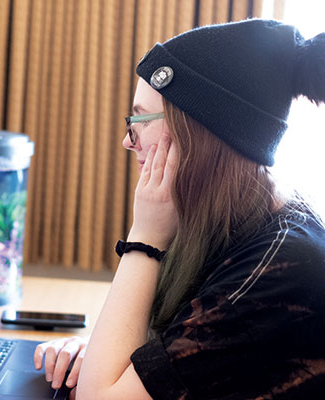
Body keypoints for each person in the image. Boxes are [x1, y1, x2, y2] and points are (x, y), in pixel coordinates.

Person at [33, 18, 325, 399]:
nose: (127, 139)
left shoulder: (278, 268)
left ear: (197, 130)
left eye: (139, 119)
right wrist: (105, 354)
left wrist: (145, 237)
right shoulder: (242, 221)